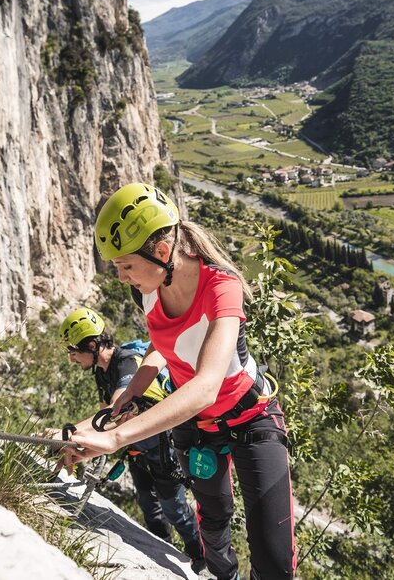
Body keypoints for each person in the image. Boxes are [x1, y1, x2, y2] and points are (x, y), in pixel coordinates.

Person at [63, 183, 297, 580]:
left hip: (251, 417)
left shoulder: (223, 287)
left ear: (162, 251)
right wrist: (127, 397)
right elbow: (162, 348)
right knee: (214, 528)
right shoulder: (149, 291)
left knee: (274, 559)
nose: (121, 278)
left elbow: (206, 384)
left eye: (125, 266)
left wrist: (117, 438)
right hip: (197, 427)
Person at [59, 306, 206, 571]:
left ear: (92, 345)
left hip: (162, 448)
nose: (71, 359)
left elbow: (114, 409)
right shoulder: (101, 372)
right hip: (137, 448)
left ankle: (199, 558)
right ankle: (161, 550)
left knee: (175, 509)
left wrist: (66, 434)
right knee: (148, 505)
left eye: (73, 351)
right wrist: (83, 440)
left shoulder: (126, 361)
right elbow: (104, 417)